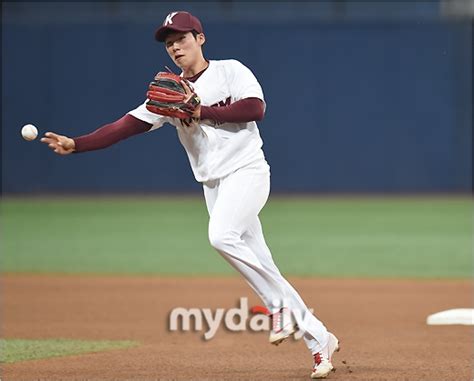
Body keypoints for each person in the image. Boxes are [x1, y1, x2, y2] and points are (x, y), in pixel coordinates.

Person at [41, 11, 339, 379]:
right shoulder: (170, 93)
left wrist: (202, 110)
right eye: (169, 43)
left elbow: (255, 108)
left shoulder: (231, 70)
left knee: (221, 236)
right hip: (213, 185)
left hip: (247, 172)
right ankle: (320, 340)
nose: (175, 47)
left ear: (200, 38)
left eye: (181, 38)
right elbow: (124, 126)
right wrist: (78, 144)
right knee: (262, 262)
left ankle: (279, 310)